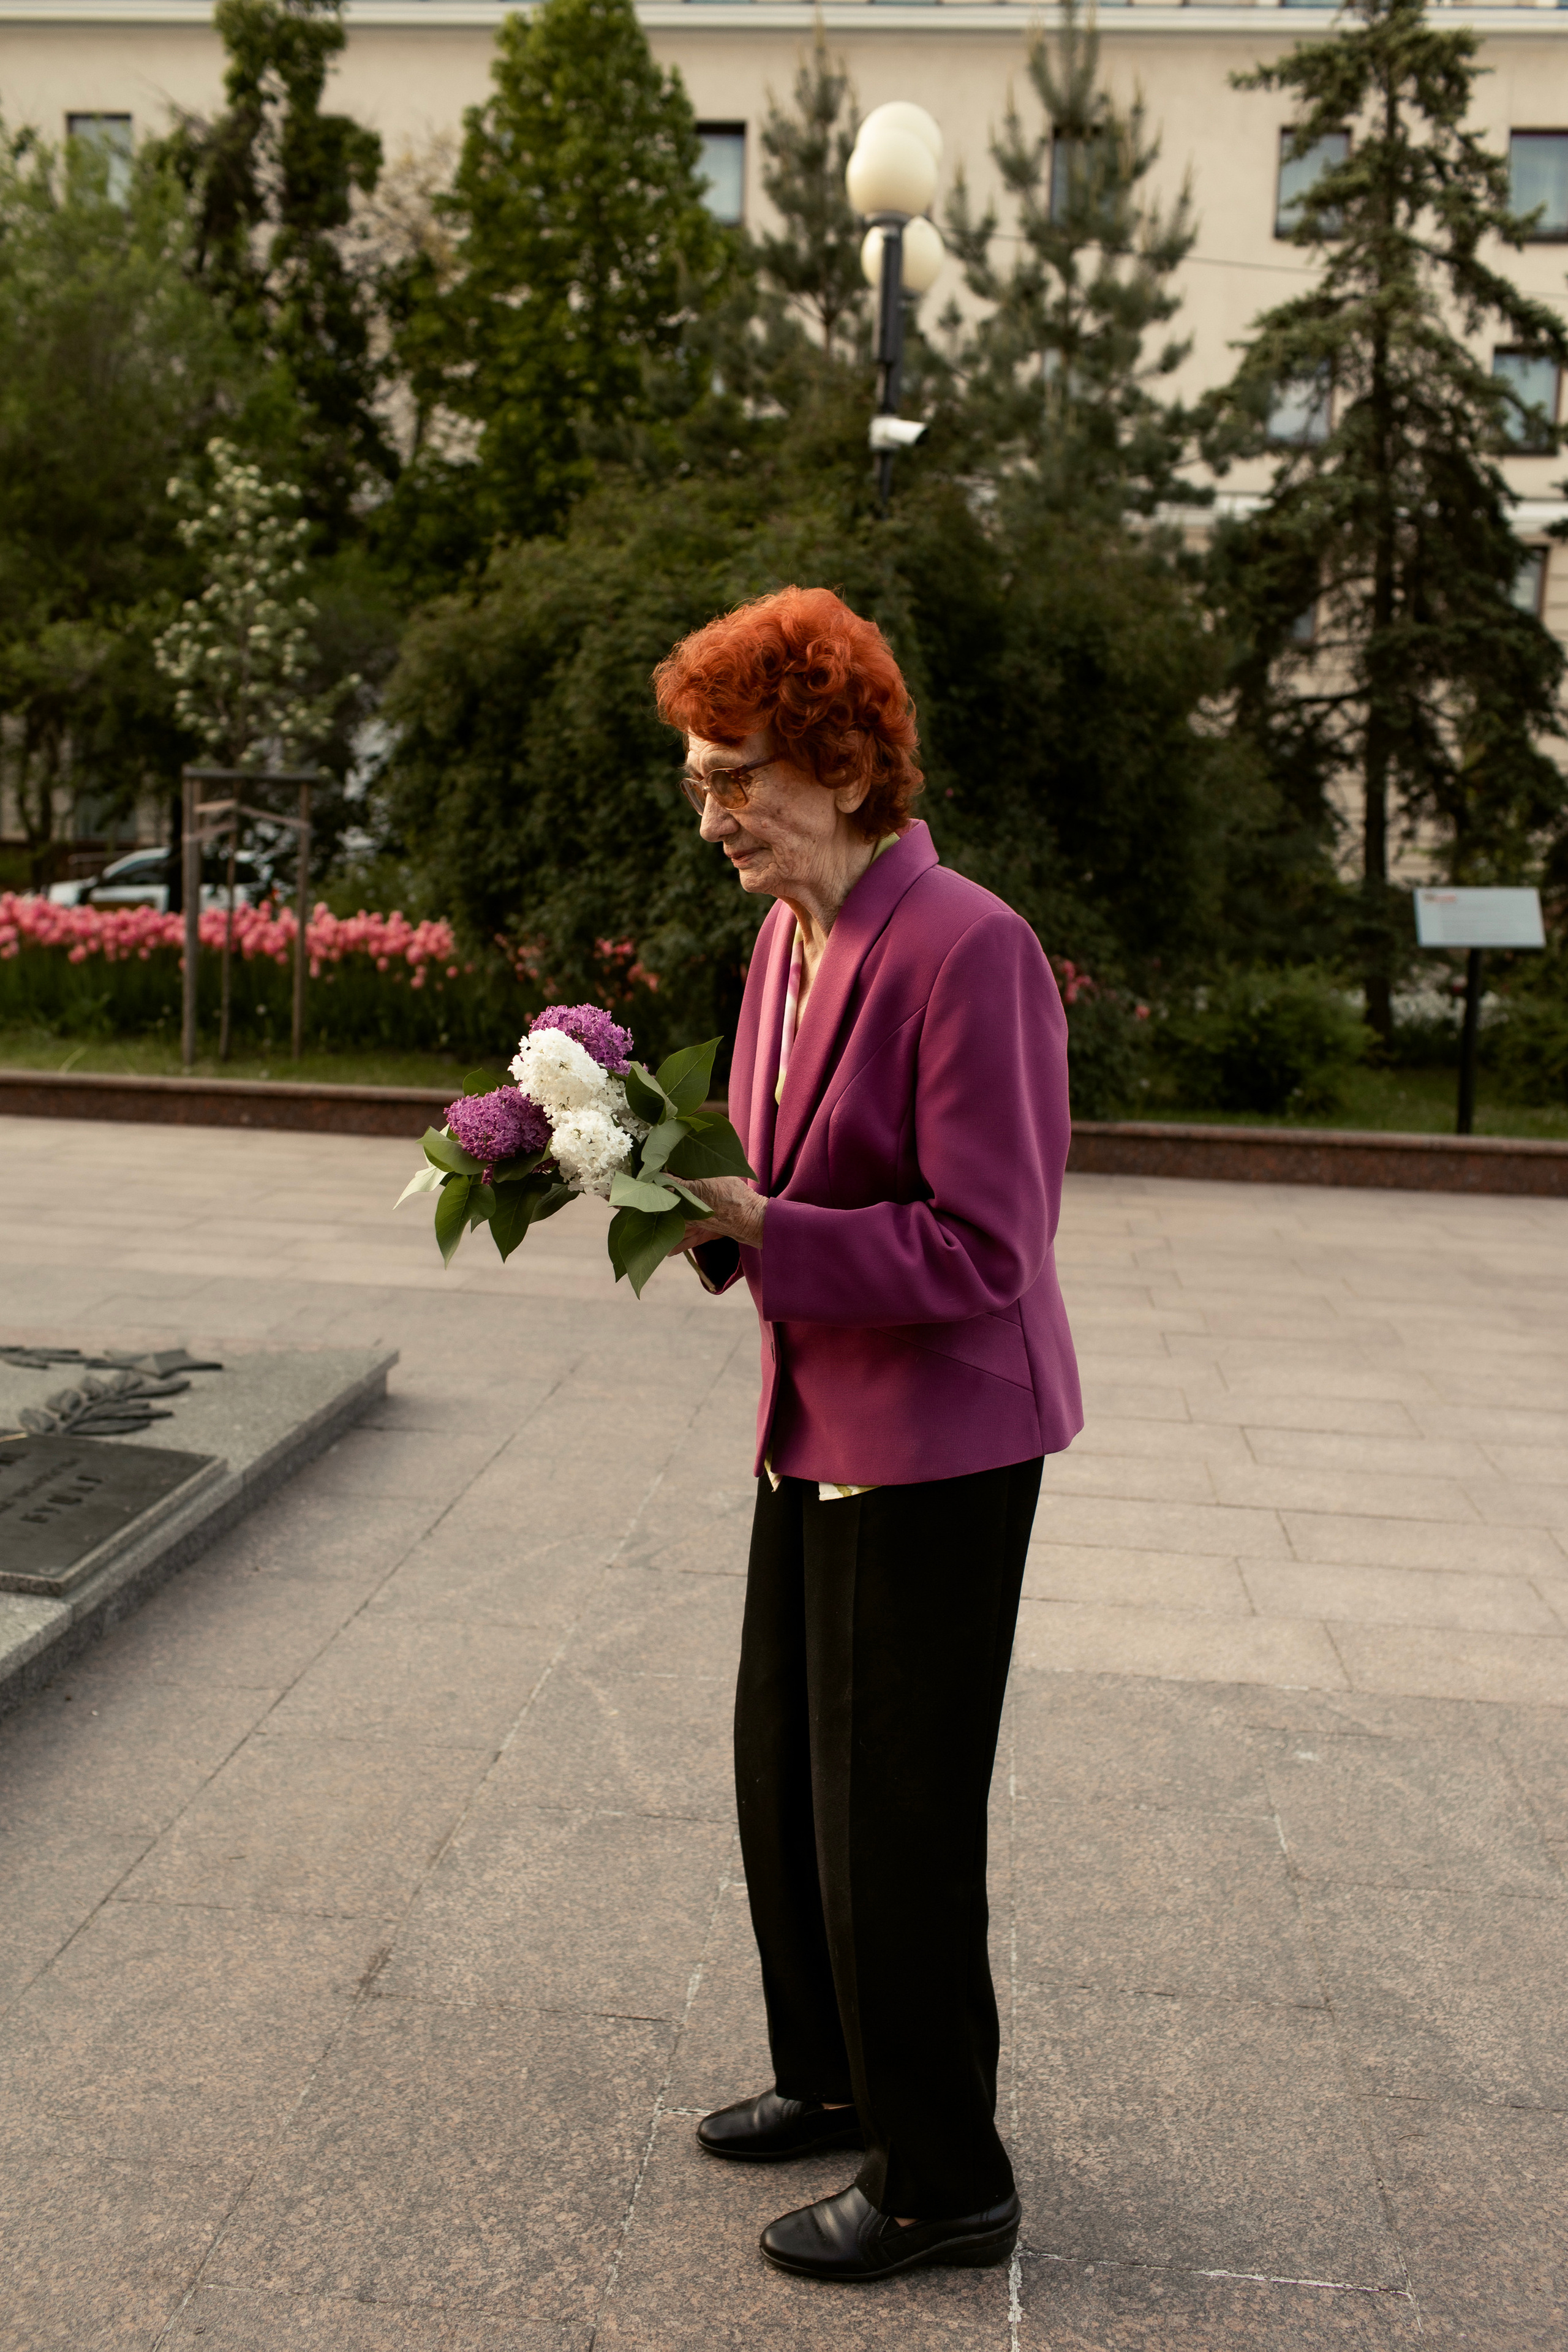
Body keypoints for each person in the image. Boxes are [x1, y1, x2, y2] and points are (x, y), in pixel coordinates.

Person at [650, 585, 1081, 2285]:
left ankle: (943, 2182)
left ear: (836, 761)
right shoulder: (784, 939)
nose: (717, 816)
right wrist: (682, 1207)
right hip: (814, 1413)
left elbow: (990, 1249)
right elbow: (777, 1171)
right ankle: (834, 2080)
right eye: (698, 782)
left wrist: (768, 1227)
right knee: (786, 1777)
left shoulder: (969, 944)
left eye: (738, 776)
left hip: (947, 1441)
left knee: (895, 1811)